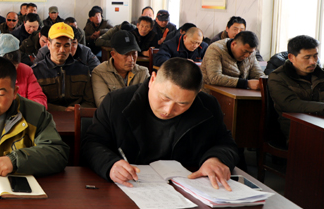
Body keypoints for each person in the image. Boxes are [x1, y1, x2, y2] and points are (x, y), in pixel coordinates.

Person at [82, 58, 238, 190]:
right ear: (152, 80)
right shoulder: (116, 102)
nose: (169, 110)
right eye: (165, 98)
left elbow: (226, 143)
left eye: (182, 104)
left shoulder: (208, 107)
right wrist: (111, 164)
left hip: (188, 190)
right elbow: (92, 143)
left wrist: (216, 159)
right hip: (131, 188)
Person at [268, 35, 324, 139]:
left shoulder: (321, 74)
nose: (313, 62)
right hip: (296, 128)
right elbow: (290, 104)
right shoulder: (278, 77)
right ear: (291, 57)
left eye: (315, 56)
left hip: (320, 123)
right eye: (307, 57)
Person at [32, 22, 96, 111]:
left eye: (66, 45)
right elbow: (34, 103)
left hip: (77, 116)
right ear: (49, 45)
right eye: (57, 45)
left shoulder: (83, 70)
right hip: (48, 116)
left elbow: (90, 102)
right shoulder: (36, 72)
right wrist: (62, 110)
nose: (62, 50)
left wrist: (78, 110)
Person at [91, 30, 150, 108]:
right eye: (126, 54)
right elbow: (104, 105)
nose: (131, 59)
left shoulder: (143, 72)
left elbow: (150, 102)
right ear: (113, 54)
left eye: (134, 54)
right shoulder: (99, 72)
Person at [33, 28, 101, 71]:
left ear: (78, 43)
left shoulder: (85, 52)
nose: (63, 49)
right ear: (49, 45)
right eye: (58, 45)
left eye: (68, 44)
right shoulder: (44, 51)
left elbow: (97, 70)